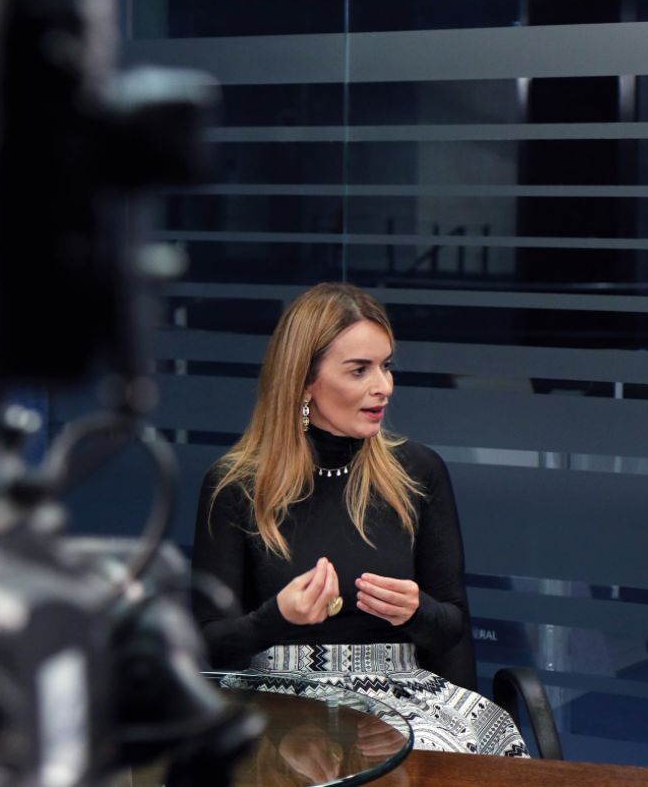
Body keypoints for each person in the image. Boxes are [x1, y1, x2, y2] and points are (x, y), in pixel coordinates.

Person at [191, 282, 528, 756]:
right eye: (359, 370)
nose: (383, 386)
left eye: (386, 366)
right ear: (304, 381)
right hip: (279, 700)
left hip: (404, 697)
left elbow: (452, 626)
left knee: (438, 752)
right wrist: (276, 619)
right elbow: (207, 645)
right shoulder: (236, 485)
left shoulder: (418, 472)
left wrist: (417, 611)